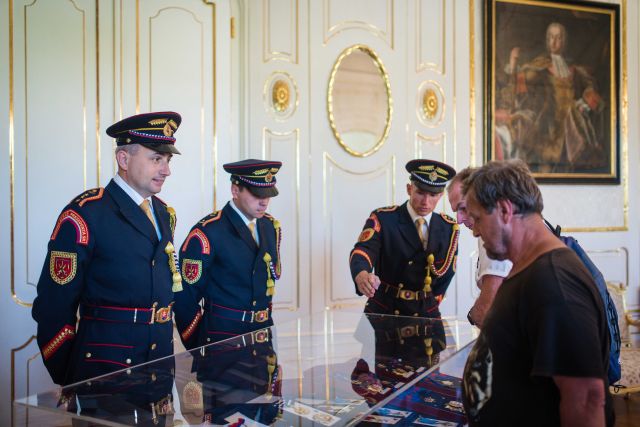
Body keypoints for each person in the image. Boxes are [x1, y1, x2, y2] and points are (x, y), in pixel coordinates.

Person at [32, 111, 182, 385]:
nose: (166, 170)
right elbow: (54, 305)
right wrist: (70, 376)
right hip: (104, 370)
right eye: (156, 159)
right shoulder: (85, 214)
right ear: (123, 159)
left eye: (168, 160)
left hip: (158, 365)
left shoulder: (164, 213)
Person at [461, 160, 614, 427]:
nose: (474, 230)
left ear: (505, 210)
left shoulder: (554, 281)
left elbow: (586, 400)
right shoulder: (531, 267)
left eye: (477, 219)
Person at [174, 159, 283, 348]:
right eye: (257, 194)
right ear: (235, 190)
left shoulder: (270, 226)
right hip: (222, 340)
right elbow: (185, 298)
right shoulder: (208, 231)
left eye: (268, 194)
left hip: (262, 336)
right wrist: (200, 346)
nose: (264, 201)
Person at [349, 159, 459, 318]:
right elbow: (363, 249)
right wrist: (361, 273)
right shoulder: (384, 219)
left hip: (426, 312)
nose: (426, 202)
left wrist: (430, 302)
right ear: (409, 189)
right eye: (420, 193)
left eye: (433, 195)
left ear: (441, 195)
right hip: (384, 310)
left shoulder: (448, 227)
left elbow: (447, 273)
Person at [495, 22, 606, 173]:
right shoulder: (539, 66)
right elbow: (518, 84)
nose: (554, 42)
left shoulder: (574, 69)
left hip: (572, 126)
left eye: (558, 38)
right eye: (551, 37)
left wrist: (584, 101)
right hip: (549, 127)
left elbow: (591, 87)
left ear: (564, 41)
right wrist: (513, 64)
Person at [446, 167, 512, 327]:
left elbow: (487, 311)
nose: (459, 220)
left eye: (463, 208)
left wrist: (474, 315)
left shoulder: (494, 231)